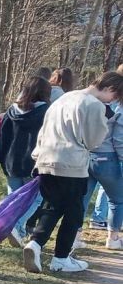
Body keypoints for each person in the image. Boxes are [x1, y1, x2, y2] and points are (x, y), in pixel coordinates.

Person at [21, 71, 122, 273]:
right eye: (115, 97)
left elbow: (44, 129)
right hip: (71, 164)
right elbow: (93, 141)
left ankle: (35, 244)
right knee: (74, 213)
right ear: (110, 89)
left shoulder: (65, 97)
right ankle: (60, 259)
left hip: (46, 159)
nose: (113, 101)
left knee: (52, 207)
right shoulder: (94, 105)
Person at [0, 73, 51, 247]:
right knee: (35, 199)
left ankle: (8, 229)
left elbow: (1, 137)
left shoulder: (11, 111)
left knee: (13, 198)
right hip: (34, 163)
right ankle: (17, 227)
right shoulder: (47, 112)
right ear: (45, 93)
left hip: (11, 162)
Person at [83, 93, 123, 250]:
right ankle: (113, 238)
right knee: (117, 200)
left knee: (82, 198)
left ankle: (75, 235)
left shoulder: (93, 102)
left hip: (87, 155)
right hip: (108, 157)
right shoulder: (119, 107)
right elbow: (119, 138)